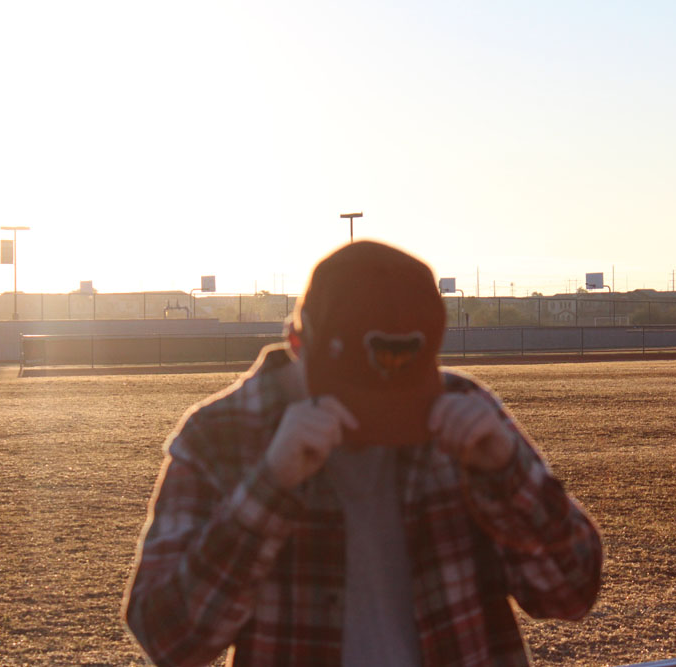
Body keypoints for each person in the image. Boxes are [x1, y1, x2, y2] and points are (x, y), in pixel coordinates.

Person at [122, 240, 603, 667]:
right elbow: (169, 642)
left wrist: (507, 474)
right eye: (357, 392)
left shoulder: (464, 412)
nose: (380, 417)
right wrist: (268, 487)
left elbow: (572, 593)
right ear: (296, 341)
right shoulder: (221, 434)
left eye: (404, 388)